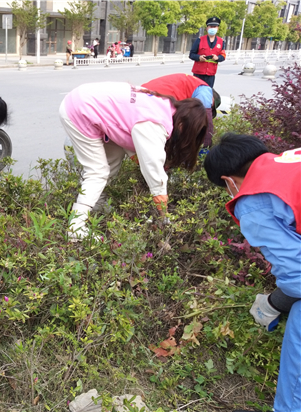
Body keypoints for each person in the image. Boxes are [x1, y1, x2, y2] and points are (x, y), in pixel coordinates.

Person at [203, 134, 301, 412]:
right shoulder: (291, 160)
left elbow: (298, 278)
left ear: (228, 181)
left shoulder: (256, 200)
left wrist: (273, 304)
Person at [60, 82, 207, 239]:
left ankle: (96, 206)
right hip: (81, 110)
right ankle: (76, 227)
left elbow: (131, 135)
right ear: (182, 125)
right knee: (97, 171)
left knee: (112, 161)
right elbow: (152, 163)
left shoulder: (163, 106)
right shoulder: (155, 122)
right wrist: (163, 209)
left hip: (87, 101)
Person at [141, 73, 221, 147]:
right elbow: (207, 122)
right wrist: (205, 147)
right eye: (211, 106)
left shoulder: (189, 83)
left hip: (143, 94)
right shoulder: (205, 91)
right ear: (212, 98)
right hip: (156, 100)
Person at [189, 17, 226, 88]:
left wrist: (217, 58)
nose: (212, 28)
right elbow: (191, 54)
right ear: (207, 28)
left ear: (217, 28)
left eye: (214, 27)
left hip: (210, 74)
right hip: (198, 73)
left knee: (208, 93)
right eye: (210, 27)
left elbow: (223, 56)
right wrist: (199, 57)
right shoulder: (199, 40)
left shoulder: (221, 41)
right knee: (196, 93)